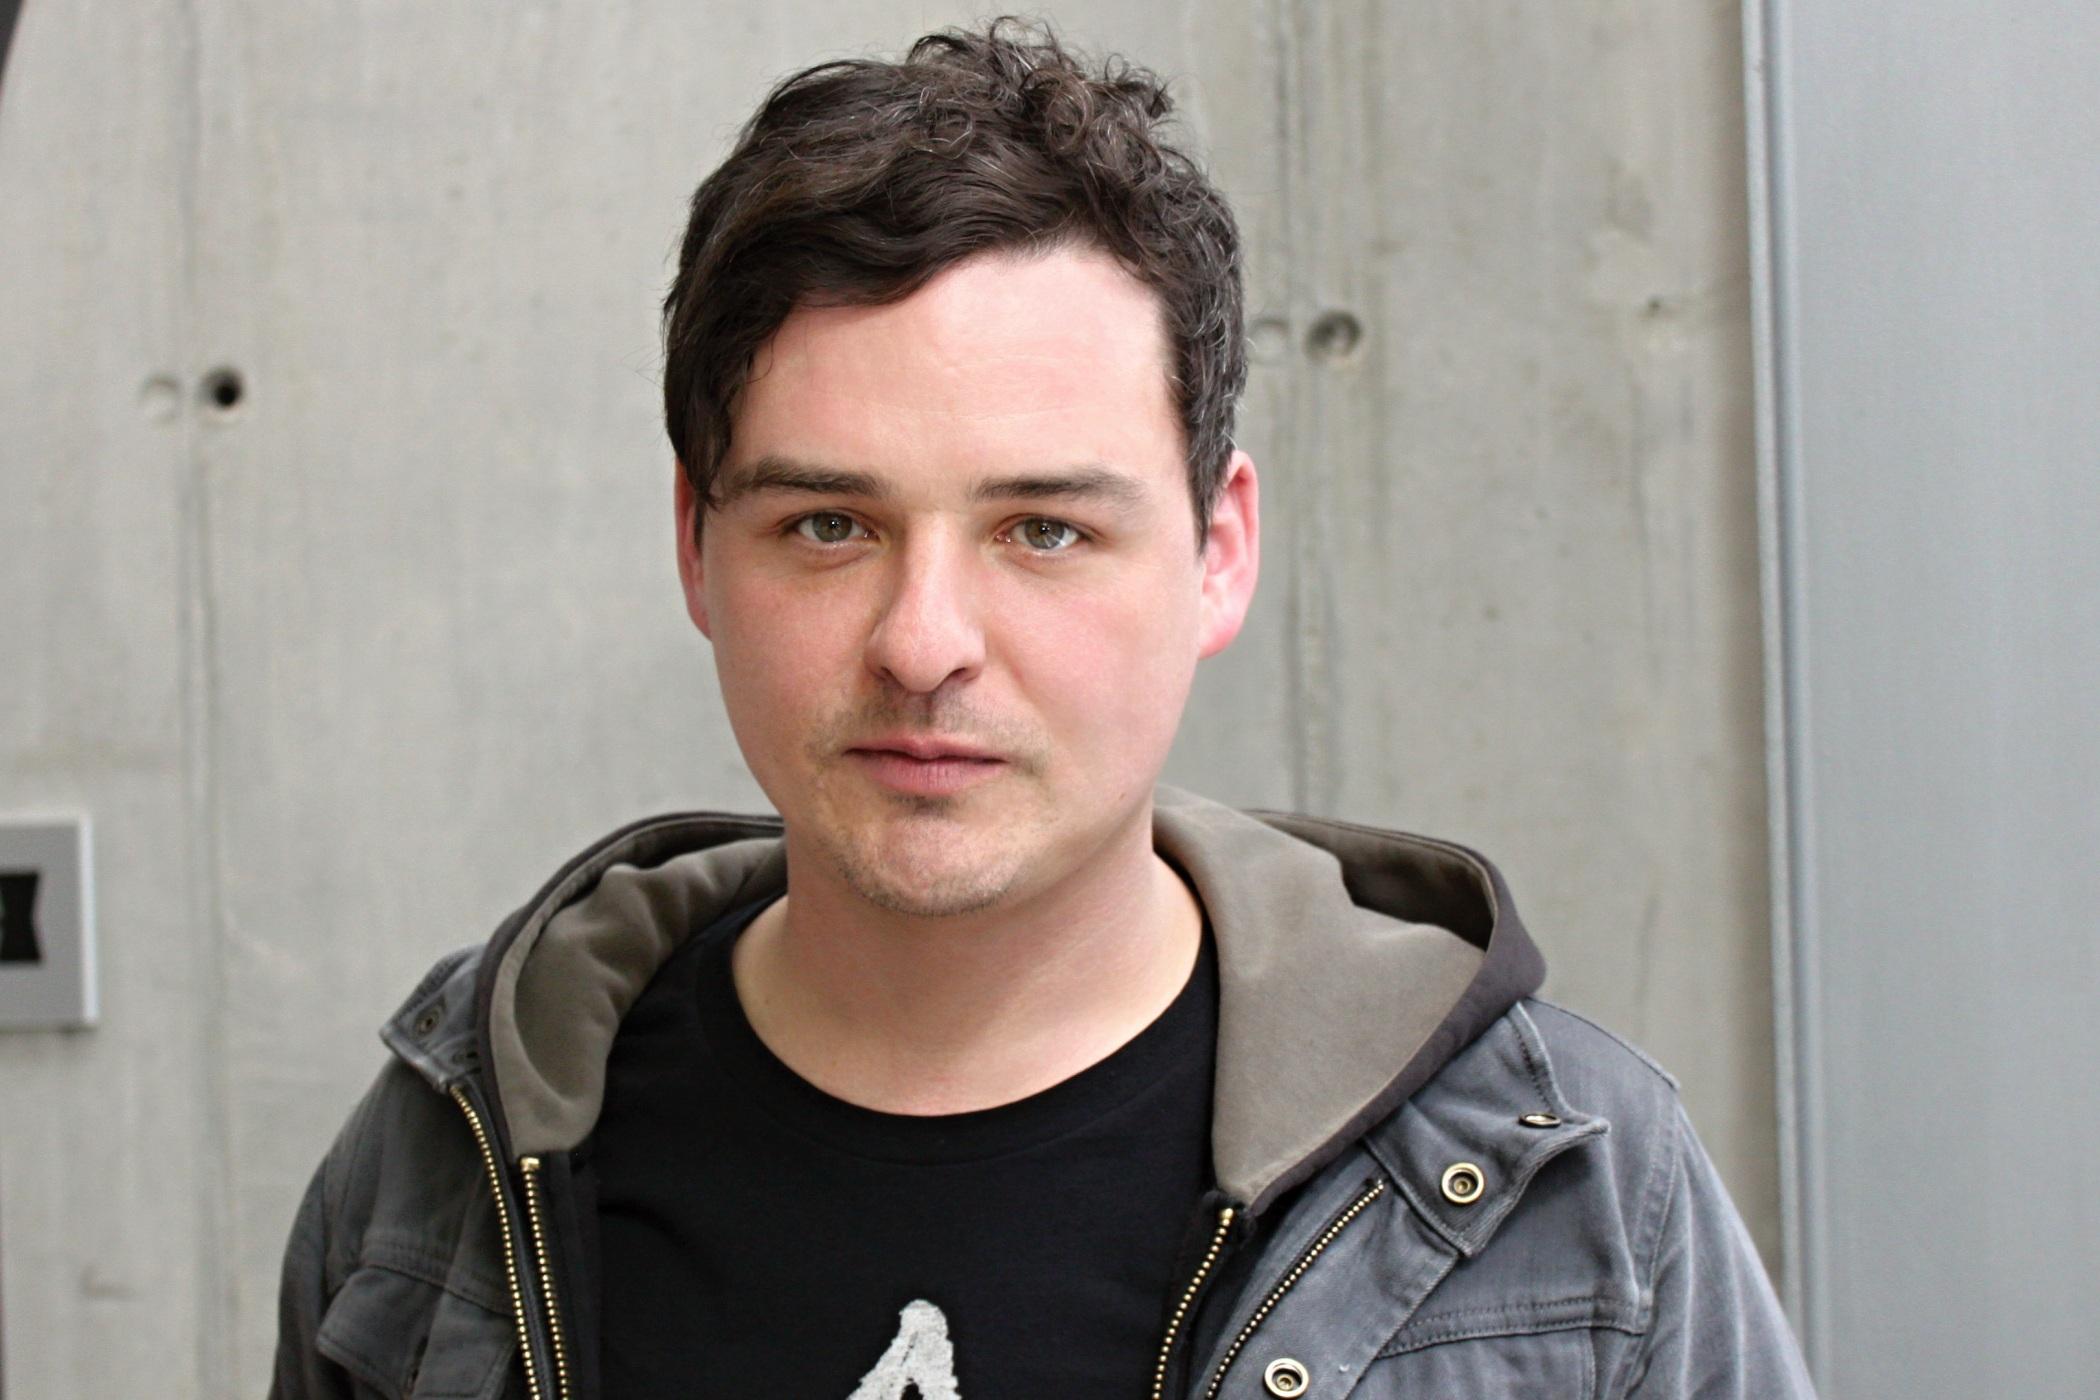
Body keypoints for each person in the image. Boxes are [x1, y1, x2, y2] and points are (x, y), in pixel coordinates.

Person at [270, 17, 1815, 1399]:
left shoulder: (1575, 1203)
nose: (924, 643)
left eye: (1045, 531)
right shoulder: (441, 1171)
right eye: (830, 525)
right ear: (696, 544)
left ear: (1219, 554)